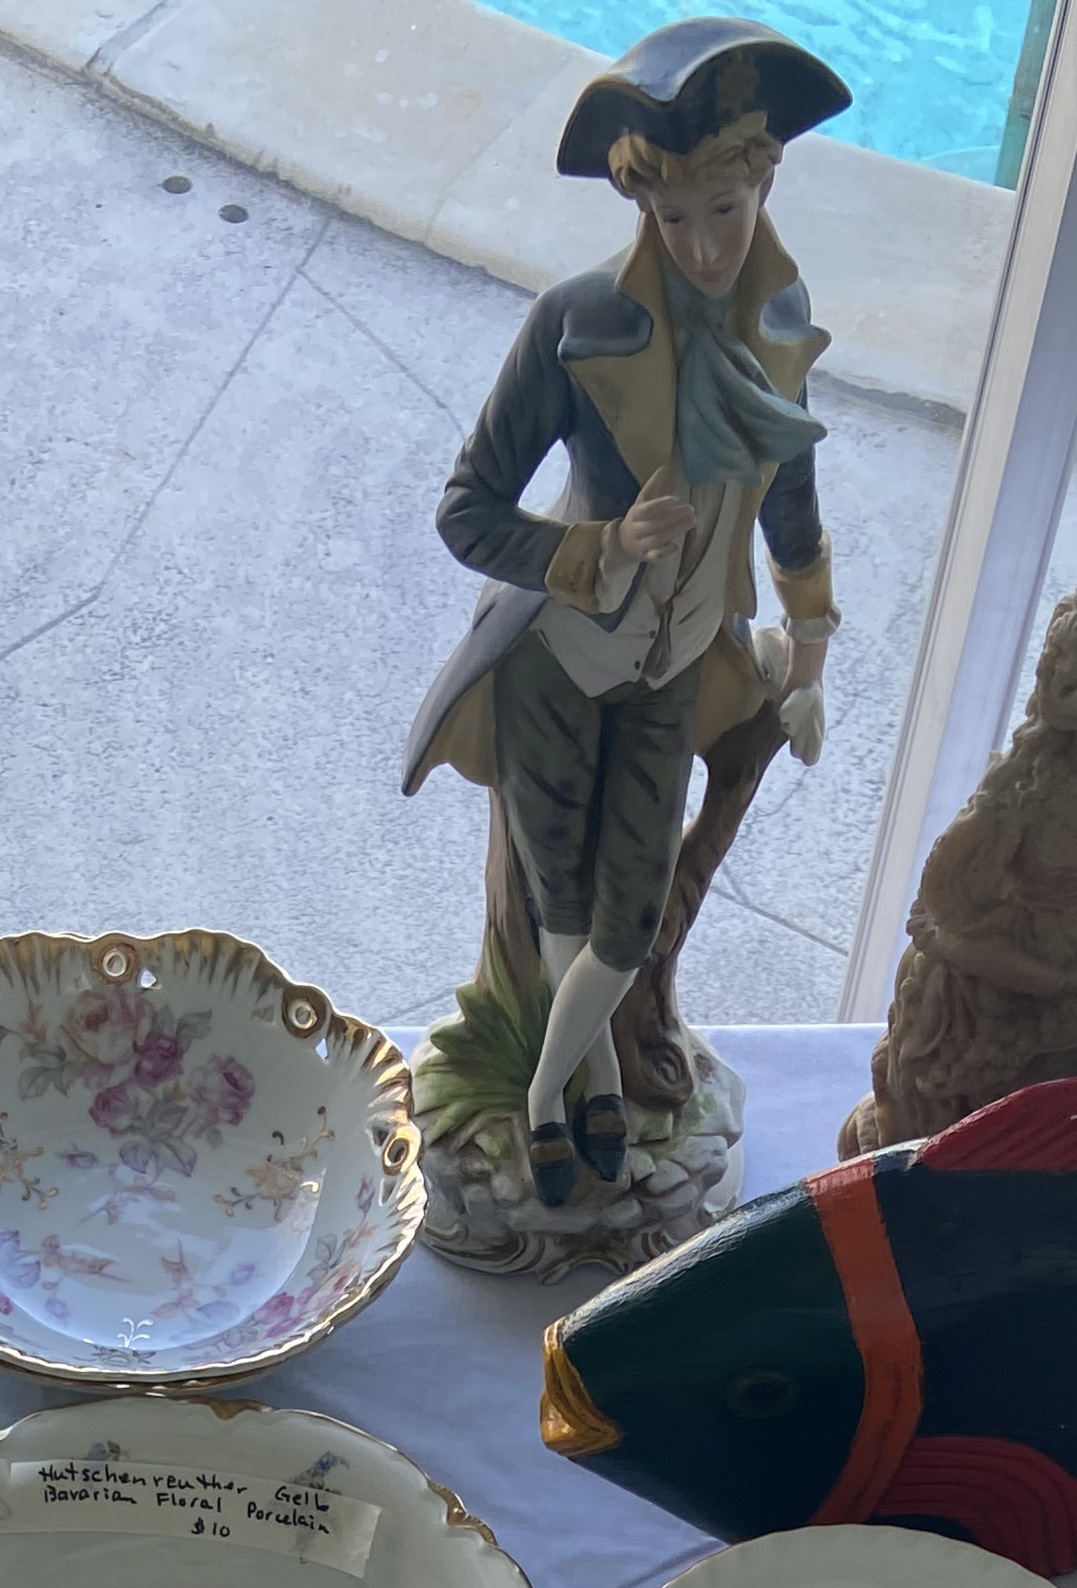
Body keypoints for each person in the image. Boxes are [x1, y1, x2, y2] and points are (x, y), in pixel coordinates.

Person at [403, 22, 848, 1210]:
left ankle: (558, 1086)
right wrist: (602, 547)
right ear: (641, 207)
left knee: (629, 915)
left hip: (673, 663)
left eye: (723, 210)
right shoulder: (577, 320)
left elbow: (793, 508)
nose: (701, 245)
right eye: (674, 216)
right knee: (561, 894)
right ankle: (572, 1100)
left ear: (763, 184)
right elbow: (467, 510)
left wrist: (809, 649)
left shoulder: (779, 326)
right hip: (558, 654)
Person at [843, 562, 1077, 1156]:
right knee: (932, 1125)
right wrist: (1033, 973)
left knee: (1037, 1125)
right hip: (978, 978)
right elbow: (947, 904)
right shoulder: (1031, 780)